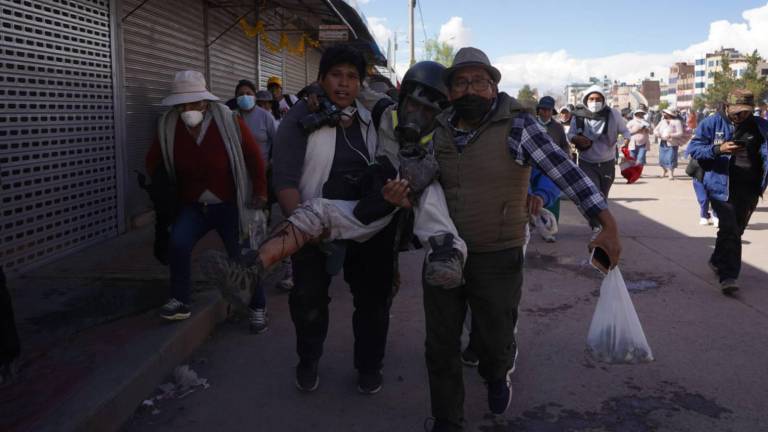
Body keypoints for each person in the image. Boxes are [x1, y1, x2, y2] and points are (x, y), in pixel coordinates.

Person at [389, 47, 621, 431]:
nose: (470, 90)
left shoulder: (519, 126)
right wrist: (403, 182)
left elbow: (563, 170)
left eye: (479, 81)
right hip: (446, 252)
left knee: (494, 341)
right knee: (441, 345)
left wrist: (604, 221)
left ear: (494, 85)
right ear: (450, 91)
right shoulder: (441, 126)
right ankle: (447, 419)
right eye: (460, 82)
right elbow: (420, 177)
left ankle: (497, 375)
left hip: (499, 253)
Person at [266, 47, 468, 396]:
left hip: (372, 223)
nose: (343, 84)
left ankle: (370, 366)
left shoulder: (373, 116)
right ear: (321, 79)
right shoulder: (303, 117)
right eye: (335, 75)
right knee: (308, 300)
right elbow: (284, 177)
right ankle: (308, 359)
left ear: (361, 84)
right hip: (315, 222)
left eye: (351, 77)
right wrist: (301, 225)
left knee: (374, 302)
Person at [145, 70, 267, 321]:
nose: (187, 108)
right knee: (178, 243)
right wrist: (162, 193)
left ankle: (257, 307)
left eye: (193, 102)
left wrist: (261, 192)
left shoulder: (229, 121)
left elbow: (254, 158)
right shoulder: (168, 126)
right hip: (193, 205)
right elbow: (154, 161)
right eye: (182, 104)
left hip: (230, 205)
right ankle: (180, 299)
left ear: (205, 102)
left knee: (242, 256)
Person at [687, 89, 768, 295]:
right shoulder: (711, 123)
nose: (742, 115)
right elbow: (694, 149)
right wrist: (718, 150)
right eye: (737, 111)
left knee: (734, 231)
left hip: (750, 188)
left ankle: (717, 259)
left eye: (746, 111)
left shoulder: (761, 126)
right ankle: (729, 277)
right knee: (731, 230)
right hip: (720, 187)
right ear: (727, 106)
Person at [568, 85, 630, 231]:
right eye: (591, 99)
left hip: (607, 162)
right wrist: (576, 138)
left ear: (603, 100)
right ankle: (597, 226)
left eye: (598, 99)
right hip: (586, 162)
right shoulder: (578, 115)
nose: (594, 102)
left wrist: (625, 140)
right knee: (593, 194)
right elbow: (570, 134)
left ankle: (599, 222)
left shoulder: (613, 114)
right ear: (586, 100)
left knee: (603, 196)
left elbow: (625, 131)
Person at [654, 108, 685, 180]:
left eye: (665, 113)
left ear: (669, 114)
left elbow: (680, 133)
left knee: (671, 158)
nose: (663, 114)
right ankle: (664, 170)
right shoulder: (662, 122)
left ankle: (671, 174)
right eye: (664, 113)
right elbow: (655, 129)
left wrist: (671, 135)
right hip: (662, 142)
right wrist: (657, 134)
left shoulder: (677, 122)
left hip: (672, 143)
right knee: (662, 158)